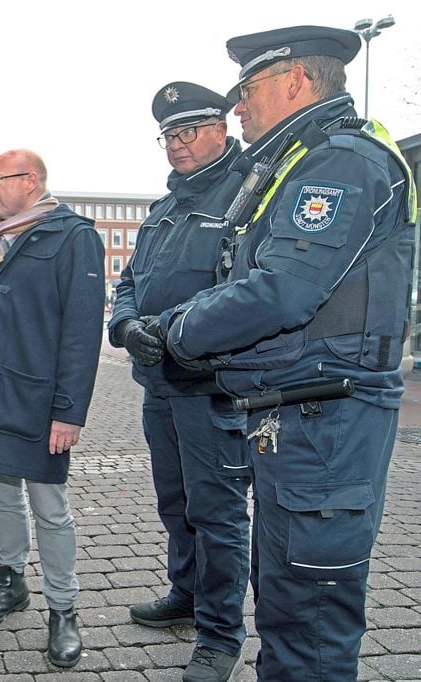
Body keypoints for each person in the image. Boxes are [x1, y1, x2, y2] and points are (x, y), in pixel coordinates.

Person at [156, 26, 417, 680]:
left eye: (248, 90)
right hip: (300, 418)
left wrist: (177, 332)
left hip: (327, 425)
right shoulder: (298, 163)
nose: (237, 107)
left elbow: (280, 292)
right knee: (285, 604)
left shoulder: (341, 162)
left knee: (310, 624)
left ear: (297, 79)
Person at [107, 82, 251, 682]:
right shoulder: (164, 211)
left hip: (211, 384)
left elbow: (240, 291)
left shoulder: (248, 195)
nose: (176, 144)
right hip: (159, 383)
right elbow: (129, 283)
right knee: (176, 503)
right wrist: (122, 326)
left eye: (189, 130)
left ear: (222, 127)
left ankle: (220, 634)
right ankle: (186, 594)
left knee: (217, 514)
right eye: (168, 134)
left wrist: (160, 327)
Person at [0, 150, 104, 668]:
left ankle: (63, 609)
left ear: (30, 181)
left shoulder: (73, 236)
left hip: (38, 402)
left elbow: (83, 333)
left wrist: (69, 412)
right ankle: (11, 582)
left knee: (49, 506)